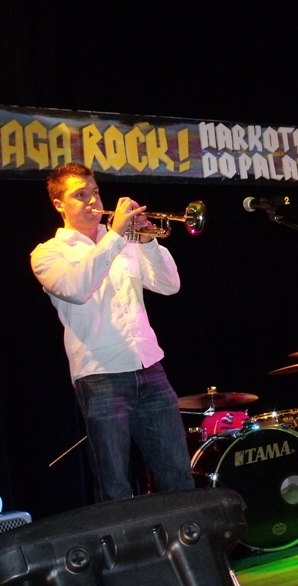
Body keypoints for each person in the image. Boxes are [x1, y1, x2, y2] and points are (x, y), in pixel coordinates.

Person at [30, 163, 195, 502]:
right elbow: (77, 289)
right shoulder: (48, 253)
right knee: (114, 486)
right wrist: (116, 235)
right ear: (59, 204)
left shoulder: (125, 242)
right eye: (80, 195)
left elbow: (170, 285)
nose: (92, 201)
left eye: (95, 192)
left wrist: (148, 242)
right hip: (100, 376)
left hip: (150, 367)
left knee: (177, 474)